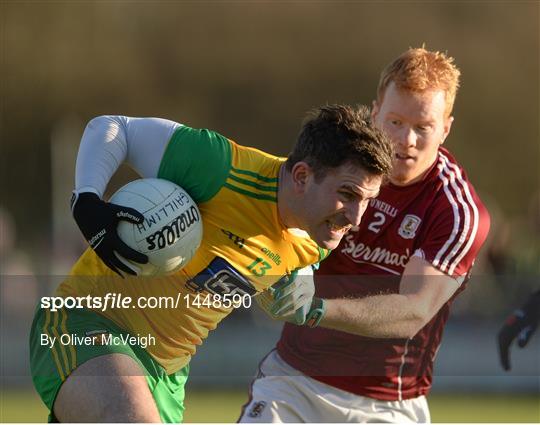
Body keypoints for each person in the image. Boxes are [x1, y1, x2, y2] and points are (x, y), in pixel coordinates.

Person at [29, 104, 393, 422]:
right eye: (348, 194)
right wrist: (87, 200)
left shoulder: (318, 235)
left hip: (166, 374)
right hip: (85, 322)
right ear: (301, 176)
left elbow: (293, 256)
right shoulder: (221, 167)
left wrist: (303, 277)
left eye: (368, 200)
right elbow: (113, 128)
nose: (357, 218)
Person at [240, 47, 491, 423]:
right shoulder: (333, 167)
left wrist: (315, 309)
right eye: (395, 122)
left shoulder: (456, 211)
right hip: (293, 382)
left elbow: (413, 311)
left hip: (386, 403)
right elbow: (280, 223)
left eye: (422, 127)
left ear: (445, 128)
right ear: (375, 113)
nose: (406, 140)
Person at [498, 289, 540, 371]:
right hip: (525, 316)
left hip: (528, 318)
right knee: (503, 336)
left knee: (518, 341)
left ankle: (506, 366)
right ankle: (506, 367)